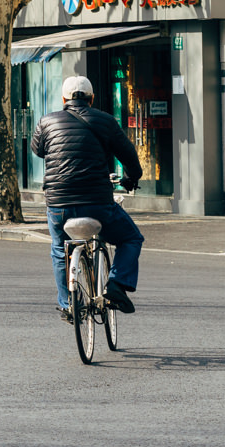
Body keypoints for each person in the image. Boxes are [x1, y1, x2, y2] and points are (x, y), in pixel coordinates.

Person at [32, 75, 144, 320]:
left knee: (60, 250)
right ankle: (116, 284)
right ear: (92, 99)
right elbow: (128, 155)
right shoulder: (106, 121)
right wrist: (132, 178)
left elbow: (38, 150)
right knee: (131, 238)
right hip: (97, 204)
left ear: (63, 99)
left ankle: (67, 304)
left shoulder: (46, 122)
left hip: (59, 204)